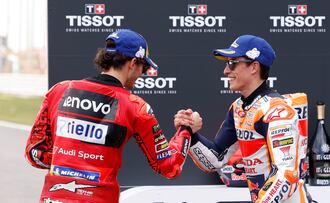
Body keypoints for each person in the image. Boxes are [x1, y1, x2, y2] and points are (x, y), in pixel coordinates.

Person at [25, 29, 202, 203]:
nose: (142, 74)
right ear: (133, 63)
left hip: (54, 198)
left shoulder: (60, 90)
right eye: (144, 67)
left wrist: (67, 162)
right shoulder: (136, 107)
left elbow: (35, 153)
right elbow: (169, 166)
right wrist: (185, 130)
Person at [175, 35, 314, 203]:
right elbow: (214, 161)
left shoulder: (278, 111)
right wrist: (190, 132)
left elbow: (286, 175)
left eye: (232, 63)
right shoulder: (238, 107)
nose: (226, 70)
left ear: (254, 67)